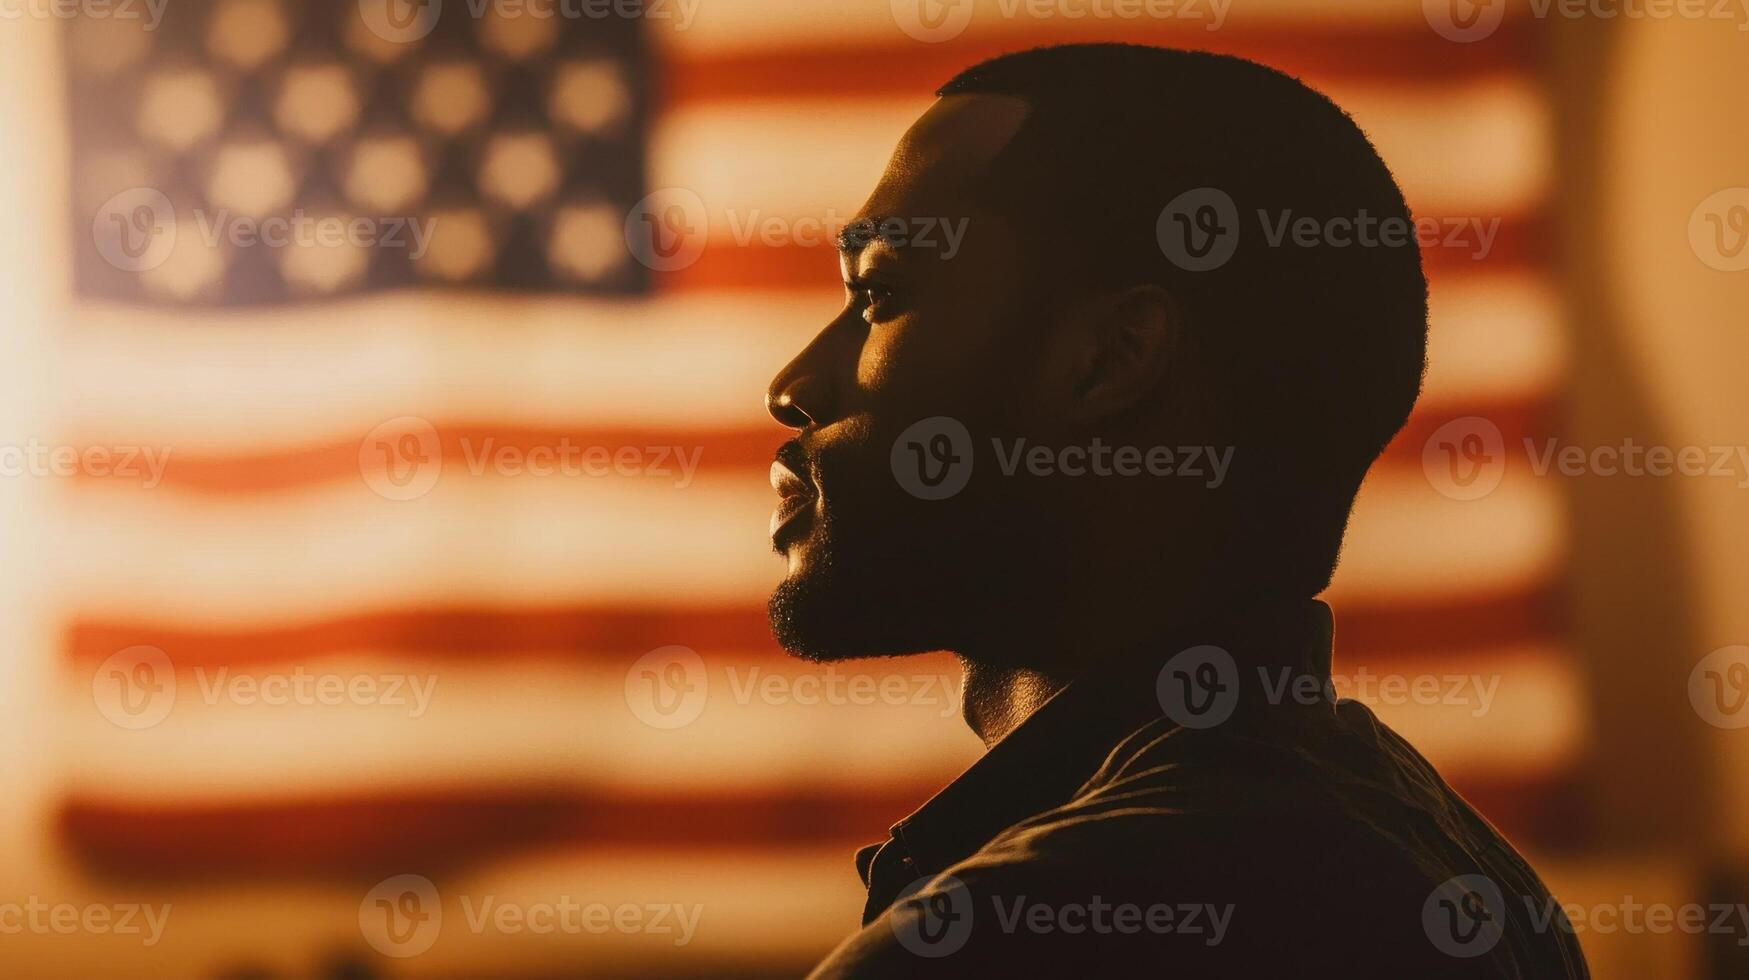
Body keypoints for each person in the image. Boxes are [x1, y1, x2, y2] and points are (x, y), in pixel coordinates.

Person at [763, 43, 1588, 978]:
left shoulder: (1018, 932)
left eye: (878, 293)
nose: (791, 387)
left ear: (1111, 359)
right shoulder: (1473, 877)